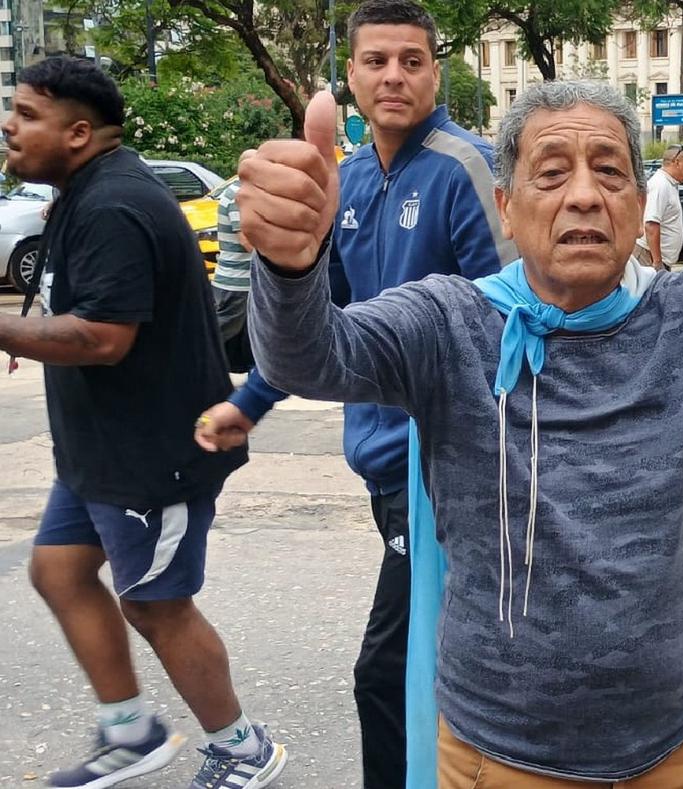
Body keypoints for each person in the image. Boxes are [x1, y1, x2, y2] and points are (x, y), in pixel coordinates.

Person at [236, 75, 683, 787]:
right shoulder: (447, 323)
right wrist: (290, 265)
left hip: (675, 750)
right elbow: (310, 355)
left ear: (634, 197)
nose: (584, 192)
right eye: (551, 173)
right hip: (501, 759)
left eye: (609, 170)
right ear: (507, 208)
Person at [194, 0, 515, 785]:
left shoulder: (464, 168)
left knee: (390, 670)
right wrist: (253, 400)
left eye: (412, 59)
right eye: (377, 61)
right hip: (382, 467)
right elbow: (322, 320)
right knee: (446, 663)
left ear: (438, 71)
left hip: (444, 469)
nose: (394, 75)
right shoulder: (349, 178)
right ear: (352, 76)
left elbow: (508, 319)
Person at [0, 57, 286, 788]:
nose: (9, 125)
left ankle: (243, 748)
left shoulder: (113, 204)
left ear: (78, 131)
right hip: (99, 450)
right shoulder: (83, 190)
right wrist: (30, 332)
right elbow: (75, 307)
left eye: (27, 114)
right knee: (60, 571)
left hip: (154, 454)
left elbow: (103, 335)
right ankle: (132, 732)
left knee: (157, 603)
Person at [210, 178, 256, 373]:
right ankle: (189, 363)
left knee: (244, 329)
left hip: (239, 279)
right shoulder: (239, 195)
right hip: (236, 281)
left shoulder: (240, 192)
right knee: (223, 327)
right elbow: (245, 238)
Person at [633, 142, 683, 270]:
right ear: (676, 162)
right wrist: (658, 263)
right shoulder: (661, 185)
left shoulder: (669, 184)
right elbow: (651, 224)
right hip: (648, 259)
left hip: (656, 260)